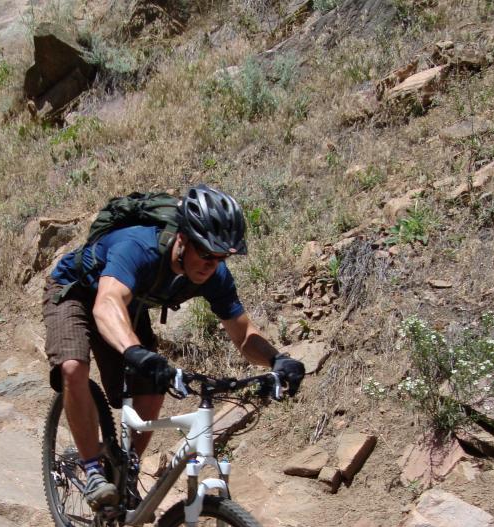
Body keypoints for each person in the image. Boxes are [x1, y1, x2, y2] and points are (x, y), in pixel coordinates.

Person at [43, 184, 306, 510]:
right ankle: (93, 469)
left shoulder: (215, 275)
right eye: (206, 253)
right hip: (76, 291)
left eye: (221, 257)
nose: (212, 264)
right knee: (73, 368)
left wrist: (277, 360)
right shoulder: (138, 247)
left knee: (154, 383)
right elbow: (106, 303)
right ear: (182, 239)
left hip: (129, 303)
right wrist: (135, 352)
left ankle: (126, 470)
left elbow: (243, 335)